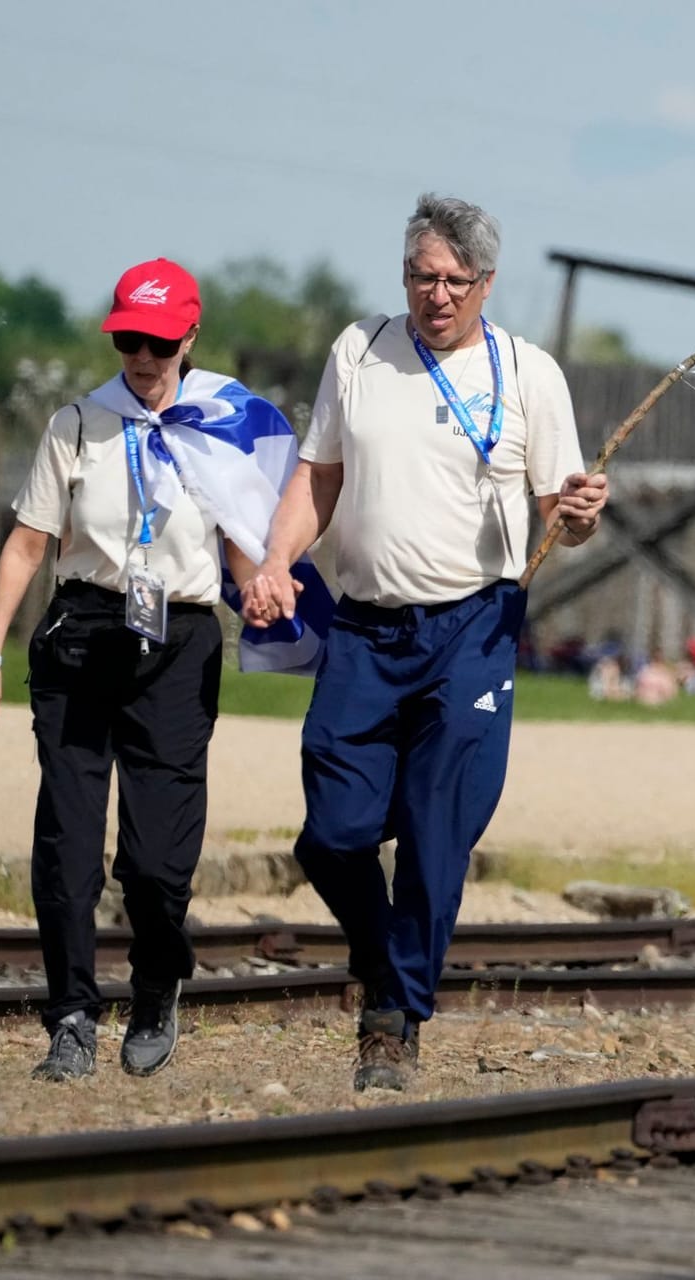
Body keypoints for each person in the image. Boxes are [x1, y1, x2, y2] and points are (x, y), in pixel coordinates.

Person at [241, 195, 607, 1092]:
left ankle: (393, 1022)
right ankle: (384, 962)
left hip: (474, 629)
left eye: (452, 280)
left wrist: (579, 514)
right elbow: (317, 475)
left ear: (486, 283)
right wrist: (277, 559)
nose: (434, 295)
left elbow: (562, 511)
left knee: (437, 836)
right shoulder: (359, 351)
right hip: (365, 628)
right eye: (419, 276)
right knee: (332, 834)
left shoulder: (528, 372)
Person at [0, 258, 274, 1082]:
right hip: (82, 633)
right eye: (129, 337)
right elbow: (28, 544)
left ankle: (157, 983)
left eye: (160, 342)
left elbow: (245, 554)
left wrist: (270, 600)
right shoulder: (76, 424)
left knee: (157, 863)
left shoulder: (218, 428)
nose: (142, 354)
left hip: (181, 640)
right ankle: (69, 1017)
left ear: (190, 339)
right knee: (66, 841)